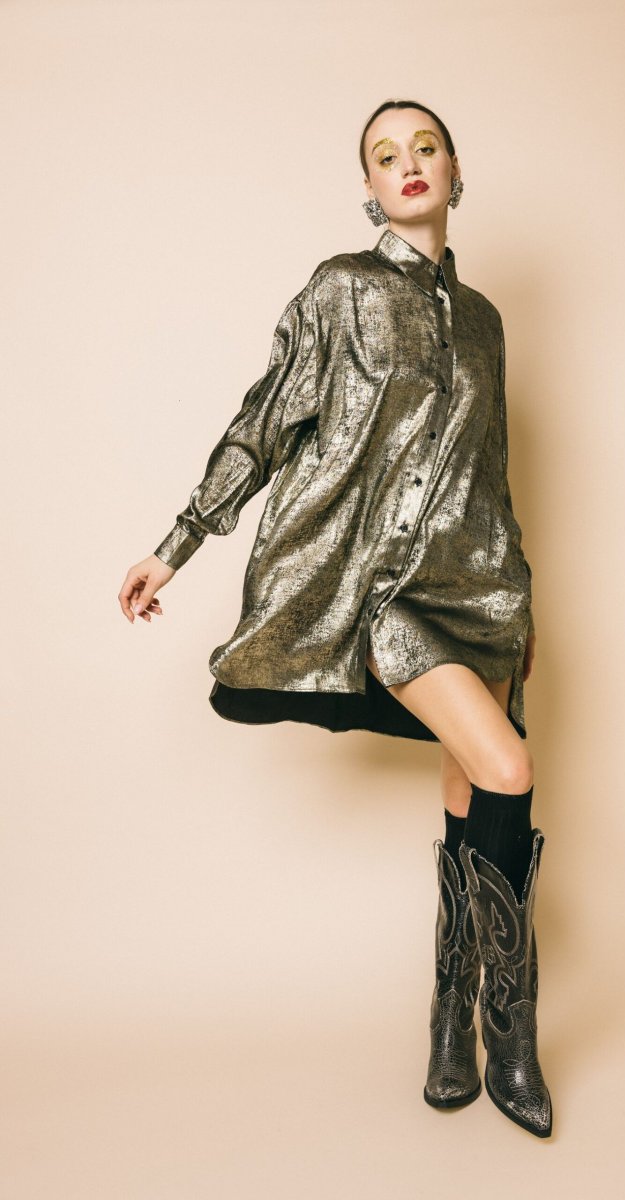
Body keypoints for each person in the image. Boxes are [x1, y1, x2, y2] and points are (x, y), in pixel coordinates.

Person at [118, 98, 553, 1138]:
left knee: (467, 788)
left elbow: (488, 471)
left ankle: (447, 1024)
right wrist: (178, 542)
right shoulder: (342, 290)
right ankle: (511, 1039)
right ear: (369, 188)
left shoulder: (486, 320)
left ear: (455, 169)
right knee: (509, 768)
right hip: (390, 591)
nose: (408, 164)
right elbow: (267, 420)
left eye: (425, 148)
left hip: (483, 588)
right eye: (385, 155)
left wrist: (522, 594)